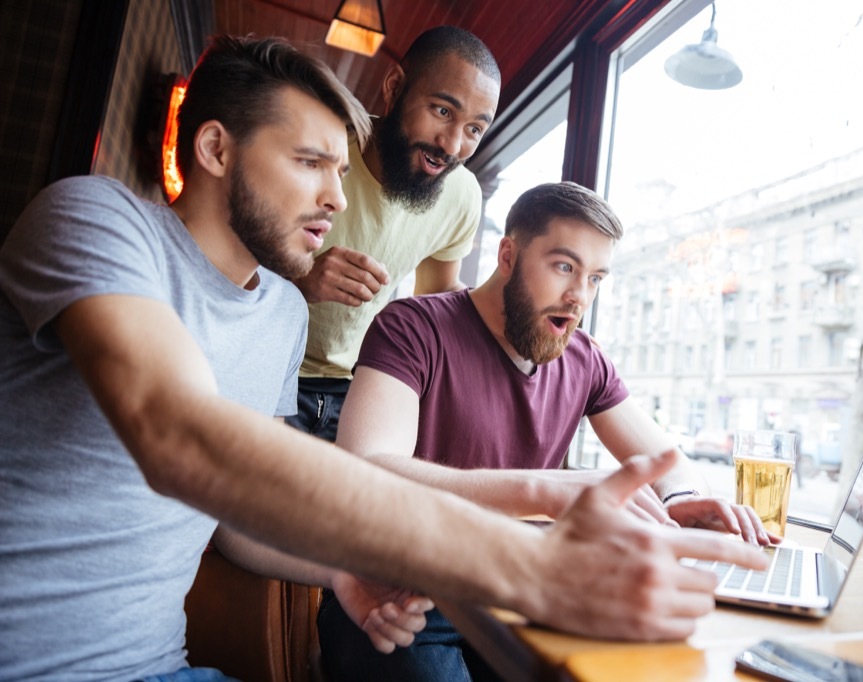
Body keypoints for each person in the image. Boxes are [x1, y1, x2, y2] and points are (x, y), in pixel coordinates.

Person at [0, 36, 768, 682]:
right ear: (214, 149)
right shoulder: (94, 218)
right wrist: (523, 559)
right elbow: (179, 437)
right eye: (309, 162)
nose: (337, 198)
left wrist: (339, 568)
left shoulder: (281, 314)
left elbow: (236, 523)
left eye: (341, 170)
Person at [318, 182, 777, 681]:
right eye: (564, 267)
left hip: (521, 596)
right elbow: (366, 473)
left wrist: (678, 497)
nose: (579, 296)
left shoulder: (585, 359)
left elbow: (672, 464)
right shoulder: (412, 328)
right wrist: (544, 488)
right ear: (509, 256)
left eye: (596, 278)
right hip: (403, 597)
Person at [288, 26, 500, 442]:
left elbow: (436, 297)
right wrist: (301, 280)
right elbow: (226, 262)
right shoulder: (321, 148)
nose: (452, 144)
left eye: (474, 129)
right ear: (394, 86)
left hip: (357, 387)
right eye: (442, 111)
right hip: (271, 363)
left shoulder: (461, 196)